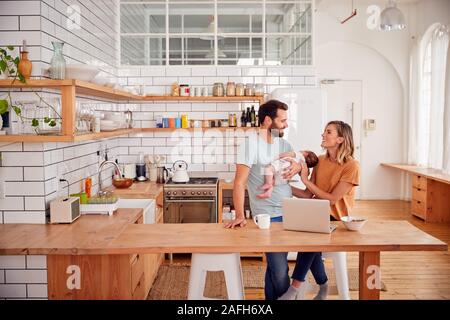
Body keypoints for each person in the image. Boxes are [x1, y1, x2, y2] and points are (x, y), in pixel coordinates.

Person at [278, 120, 360, 300]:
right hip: (318, 215)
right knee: (309, 239)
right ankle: (323, 285)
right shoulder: (321, 161)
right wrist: (282, 186)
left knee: (309, 240)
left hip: (337, 220)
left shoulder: (352, 166)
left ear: (340, 139)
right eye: (324, 131)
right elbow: (308, 195)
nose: (323, 135)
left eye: (328, 132)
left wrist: (305, 179)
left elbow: (332, 200)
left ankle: (294, 289)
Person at [224, 99, 294, 300]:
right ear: (266, 120)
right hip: (268, 215)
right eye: (282, 121)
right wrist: (239, 214)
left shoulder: (284, 144)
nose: (286, 125)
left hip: (289, 211)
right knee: (280, 271)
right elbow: (239, 182)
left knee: (275, 267)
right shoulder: (251, 144)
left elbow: (290, 175)